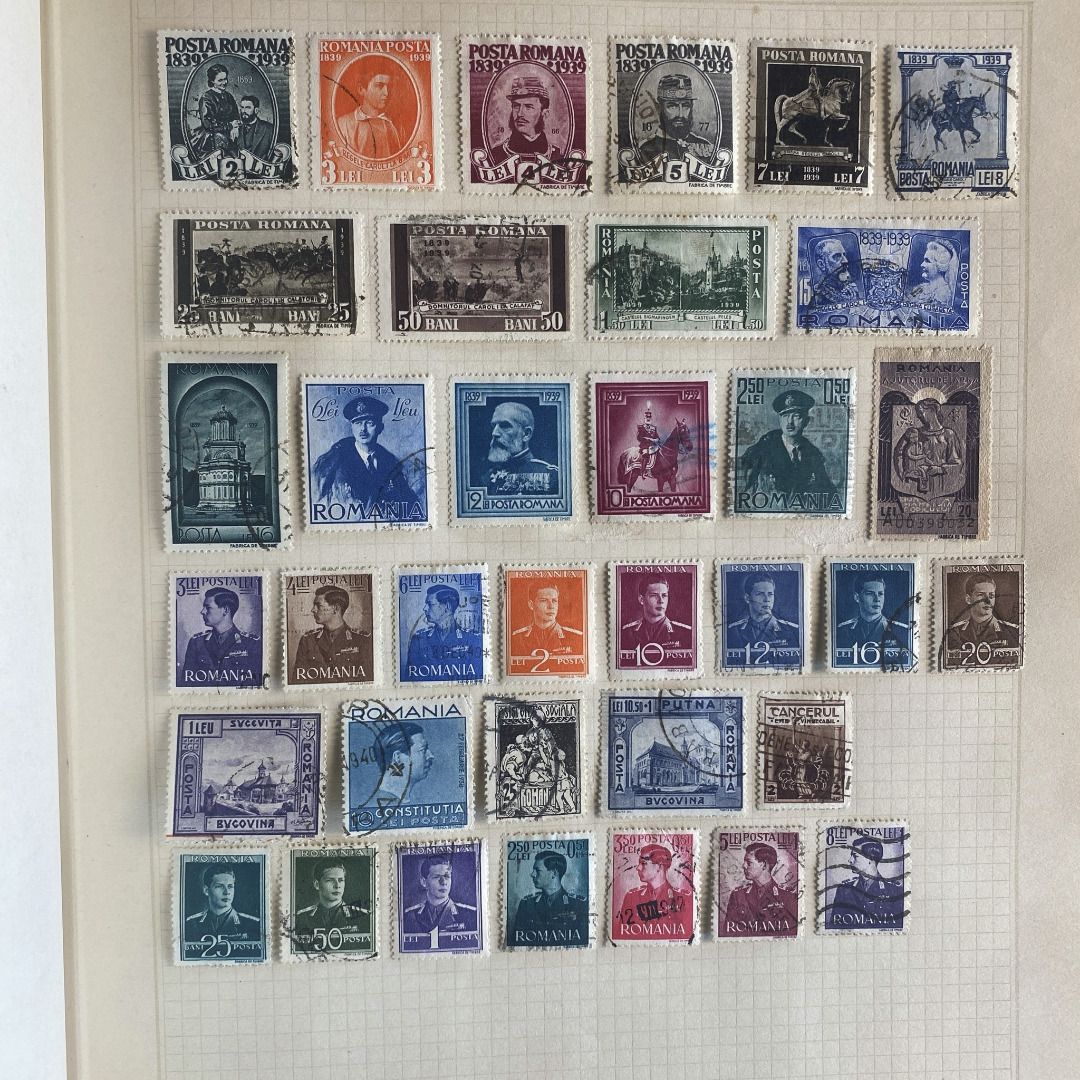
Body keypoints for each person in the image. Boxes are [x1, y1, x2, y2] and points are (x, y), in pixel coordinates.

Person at [311, 394, 418, 508]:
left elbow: (410, 503)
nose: (363, 429)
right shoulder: (334, 462)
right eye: (358, 423)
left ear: (380, 427)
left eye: (370, 423)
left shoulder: (391, 463)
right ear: (352, 427)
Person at [740, 389, 837, 502]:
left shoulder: (814, 455)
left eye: (796, 416)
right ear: (780, 420)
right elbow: (745, 490)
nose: (789, 422)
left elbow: (829, 493)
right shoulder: (762, 451)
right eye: (785, 416)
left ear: (806, 421)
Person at [180, 586, 260, 684]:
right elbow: (187, 683)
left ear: (225, 610)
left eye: (208, 607)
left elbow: (255, 684)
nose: (202, 611)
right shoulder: (196, 643)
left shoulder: (252, 644)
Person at [290, 584, 370, 679]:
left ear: (335, 609)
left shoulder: (362, 641)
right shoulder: (307, 641)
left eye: (318, 605)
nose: (313, 610)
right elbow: (298, 680)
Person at [480, 401, 559, 495]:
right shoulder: (487, 477)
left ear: (526, 434)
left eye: (505, 426)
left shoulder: (551, 476)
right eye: (494, 426)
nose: (494, 433)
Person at [826, 836, 905, 929]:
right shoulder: (844, 890)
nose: (850, 860)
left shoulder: (895, 891)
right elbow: (835, 927)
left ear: (870, 859)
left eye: (855, 856)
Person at [637, 72, 717, 163]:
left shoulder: (705, 146)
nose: (680, 114)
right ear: (659, 107)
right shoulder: (645, 149)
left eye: (685, 106)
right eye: (672, 106)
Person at [510, 850, 588, 942]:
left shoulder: (579, 905)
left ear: (554, 873)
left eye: (537, 870)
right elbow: (517, 941)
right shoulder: (526, 905)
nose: (532, 874)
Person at [893, 396, 964, 497]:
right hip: (917, 484)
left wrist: (939, 469)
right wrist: (905, 473)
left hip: (941, 484)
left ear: (931, 411)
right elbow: (899, 454)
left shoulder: (948, 434)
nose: (918, 416)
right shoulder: (915, 433)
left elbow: (957, 463)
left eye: (920, 412)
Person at [488, 75, 563, 168]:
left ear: (545, 114)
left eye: (528, 107)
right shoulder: (496, 155)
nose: (520, 114)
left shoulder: (557, 157)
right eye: (516, 106)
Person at [722, 843, 798, 931]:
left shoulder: (788, 896)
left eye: (749, 862)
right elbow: (729, 931)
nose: (744, 866)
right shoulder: (737, 896)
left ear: (764, 865)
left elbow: (791, 932)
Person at [405, 585, 483, 670]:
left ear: (447, 607)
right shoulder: (418, 640)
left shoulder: (472, 639)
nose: (425, 608)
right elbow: (411, 675)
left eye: (430, 604)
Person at [835, 571, 910, 655]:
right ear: (857, 597)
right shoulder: (842, 630)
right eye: (870, 594)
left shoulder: (902, 630)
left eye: (880, 594)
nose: (877, 599)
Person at [402, 854, 478, 935]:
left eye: (447, 876)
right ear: (424, 882)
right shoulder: (409, 916)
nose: (443, 882)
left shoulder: (471, 914)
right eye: (436, 877)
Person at [945, 572, 1021, 651]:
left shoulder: (1013, 631)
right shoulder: (954, 632)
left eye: (991, 595)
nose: (988, 601)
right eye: (981, 595)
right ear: (968, 599)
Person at [293, 858, 368, 937]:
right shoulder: (301, 917)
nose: (337, 886)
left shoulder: (363, 916)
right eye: (330, 880)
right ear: (317, 884)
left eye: (341, 880)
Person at [619, 575, 693, 653]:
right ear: (641, 599)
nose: (661, 601)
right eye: (654, 596)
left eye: (664, 596)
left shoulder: (686, 633)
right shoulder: (626, 633)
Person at [726, 572, 801, 650]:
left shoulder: (792, 630)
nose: (767, 599)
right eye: (760, 594)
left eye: (770, 594)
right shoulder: (733, 630)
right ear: (747, 598)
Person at [185, 863, 261, 939]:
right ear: (206, 890)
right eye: (219, 886)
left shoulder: (254, 924)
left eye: (230, 886)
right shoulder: (190, 923)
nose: (226, 892)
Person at [510, 581, 583, 659]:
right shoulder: (516, 638)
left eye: (554, 601)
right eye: (544, 600)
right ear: (531, 605)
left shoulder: (577, 637)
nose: (551, 606)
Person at [620, 844, 692, 922]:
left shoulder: (685, 899)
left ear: (659, 866)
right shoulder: (631, 898)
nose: (638, 868)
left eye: (643, 863)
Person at [339, 70, 402, 158]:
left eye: (389, 87)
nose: (386, 93)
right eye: (379, 86)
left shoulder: (393, 125)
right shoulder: (343, 123)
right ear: (361, 89)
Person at [370, 722, 434, 806]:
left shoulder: (399, 801)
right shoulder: (378, 805)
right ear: (397, 758)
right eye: (423, 750)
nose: (430, 756)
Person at [192, 63, 240, 157]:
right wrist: (230, 126)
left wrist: (236, 127)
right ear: (212, 81)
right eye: (220, 80)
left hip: (231, 136)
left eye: (225, 79)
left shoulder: (229, 96)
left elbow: (236, 116)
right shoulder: (206, 98)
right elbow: (207, 125)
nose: (224, 82)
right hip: (212, 139)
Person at [809, 236, 860, 307]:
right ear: (822, 264)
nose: (845, 261)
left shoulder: (853, 290)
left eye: (844, 255)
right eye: (836, 256)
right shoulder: (818, 298)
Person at [912, 239, 956, 306]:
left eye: (927, 261)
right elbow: (907, 300)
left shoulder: (943, 294)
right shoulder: (922, 287)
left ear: (940, 267)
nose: (922, 265)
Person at [234, 94, 275, 160]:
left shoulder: (269, 129)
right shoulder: (236, 129)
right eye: (242, 107)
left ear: (256, 110)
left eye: (248, 108)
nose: (244, 111)